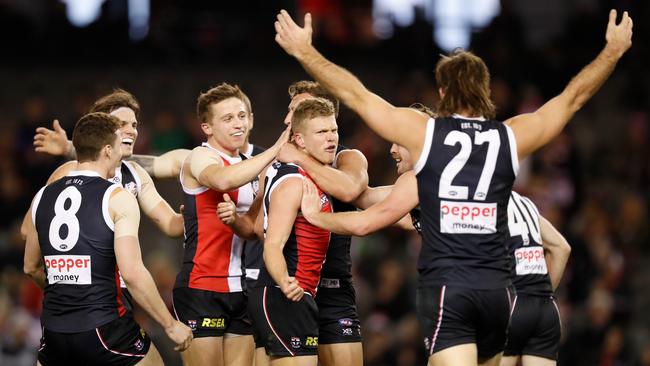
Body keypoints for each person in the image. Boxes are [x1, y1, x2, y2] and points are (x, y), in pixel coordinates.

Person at [274, 9, 632, 365]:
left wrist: (306, 52)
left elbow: (358, 96)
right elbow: (572, 98)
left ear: (442, 91)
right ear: (485, 90)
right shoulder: (510, 137)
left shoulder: (425, 134)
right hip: (499, 291)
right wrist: (612, 52)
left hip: (450, 288)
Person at [23, 112, 192, 366]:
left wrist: (68, 292)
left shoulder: (43, 195)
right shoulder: (117, 196)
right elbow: (132, 273)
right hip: (103, 326)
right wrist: (170, 325)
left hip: (54, 332)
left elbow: (30, 267)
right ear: (107, 150)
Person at [173, 83, 289, 366]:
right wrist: (276, 149)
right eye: (227, 119)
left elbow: (251, 229)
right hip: (202, 286)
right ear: (207, 128)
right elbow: (222, 180)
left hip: (240, 288)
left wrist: (236, 219)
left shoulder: (254, 166)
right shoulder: (201, 157)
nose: (238, 124)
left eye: (241, 116)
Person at [246, 97, 337, 366]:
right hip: (285, 293)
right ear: (299, 140)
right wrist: (285, 280)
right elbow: (272, 244)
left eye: (333, 130)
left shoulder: (311, 175)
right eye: (321, 132)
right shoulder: (294, 182)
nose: (331, 138)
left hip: (287, 294)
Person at [500, 192, 571, 366]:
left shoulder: (484, 200)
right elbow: (562, 247)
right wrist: (543, 292)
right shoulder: (526, 204)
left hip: (512, 303)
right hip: (546, 310)